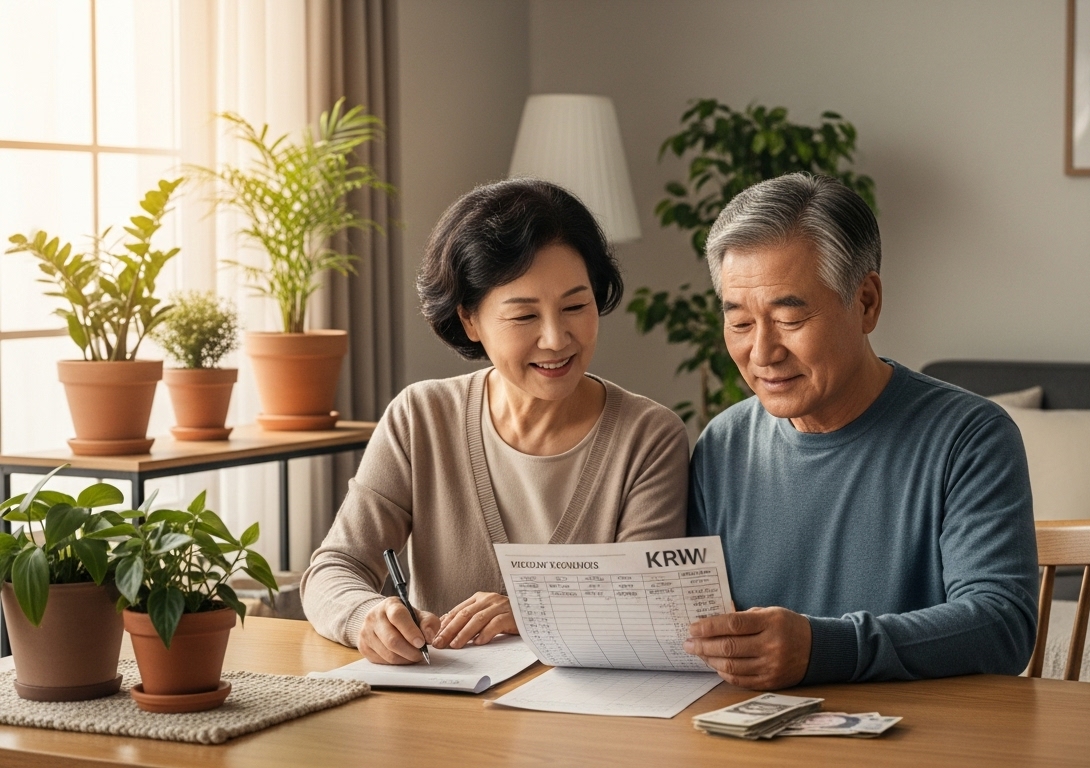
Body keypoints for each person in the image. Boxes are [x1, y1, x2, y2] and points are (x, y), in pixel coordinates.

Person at [302, 178, 689, 665]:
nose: (556, 338)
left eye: (575, 306)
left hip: (587, 722)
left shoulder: (649, 437)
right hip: (444, 713)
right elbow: (334, 567)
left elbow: (647, 606)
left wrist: (531, 612)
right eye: (524, 316)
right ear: (469, 320)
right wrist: (367, 616)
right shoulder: (419, 419)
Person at [683, 173, 1039, 690]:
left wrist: (823, 648)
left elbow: (1001, 623)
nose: (761, 353)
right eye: (739, 323)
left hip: (914, 741)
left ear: (866, 302)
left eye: (789, 318)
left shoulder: (969, 437)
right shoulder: (723, 444)